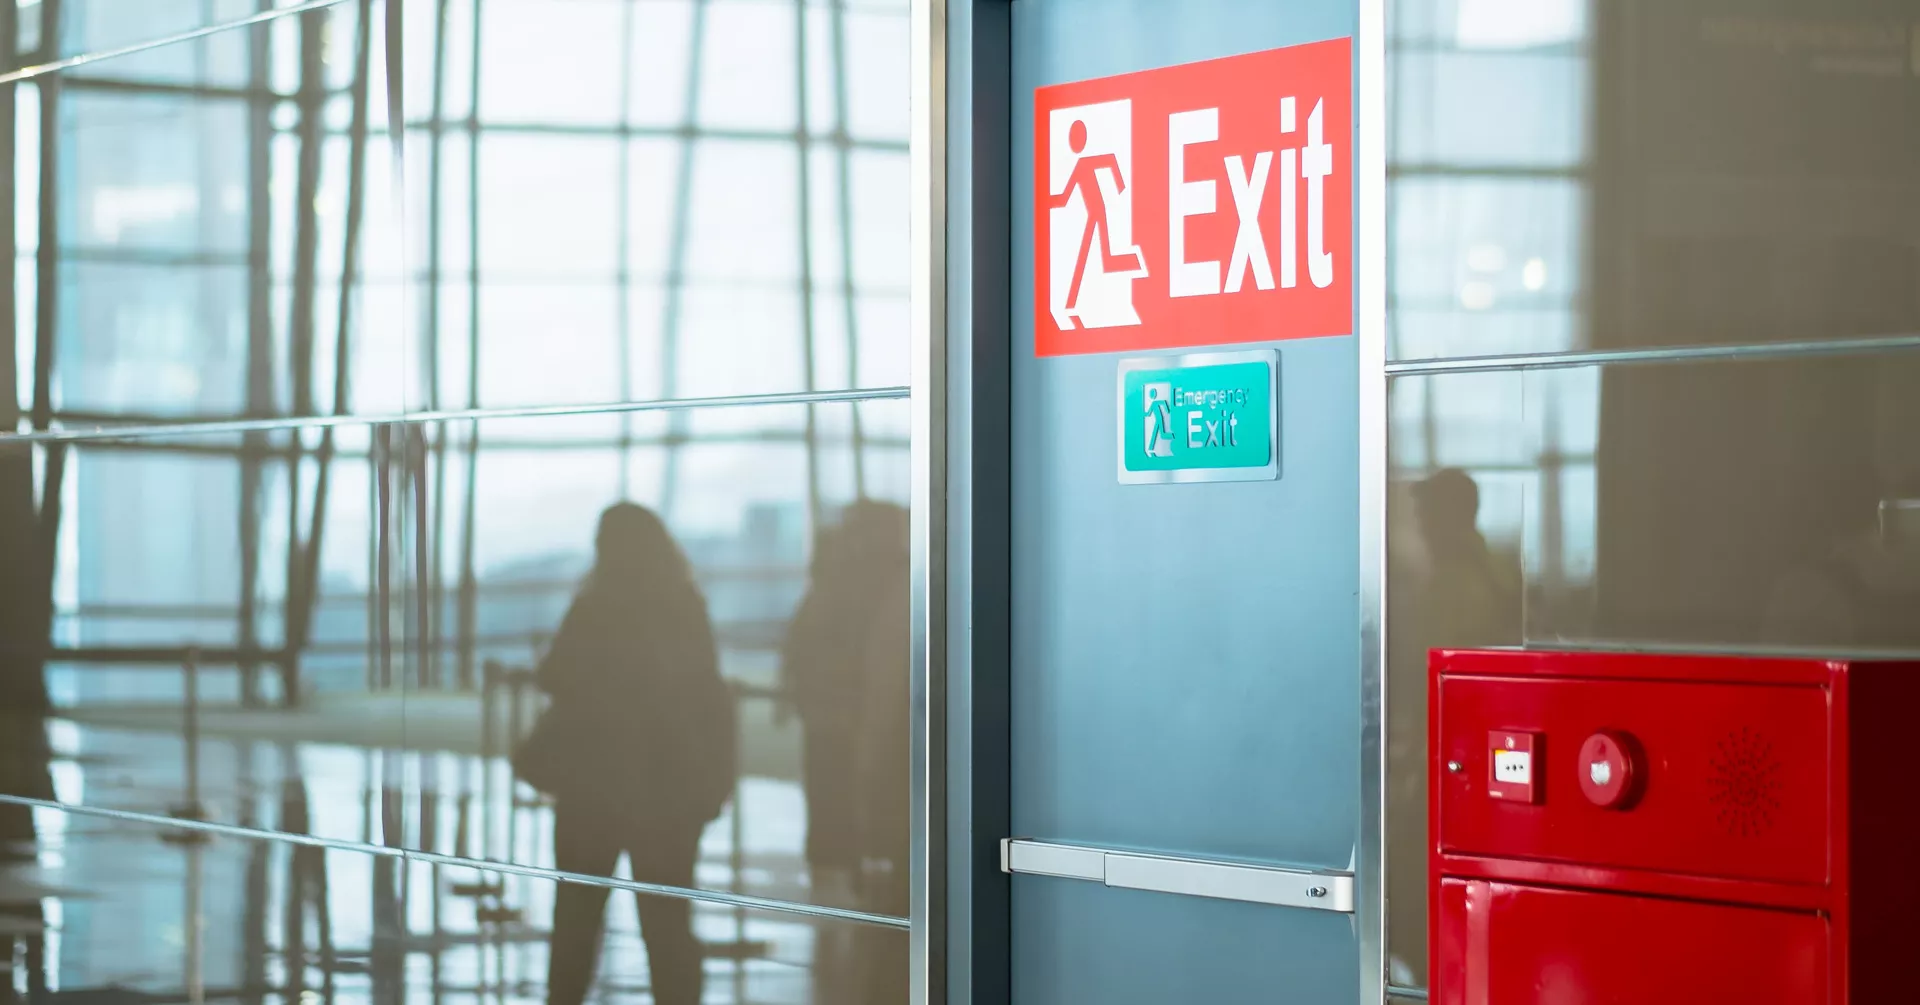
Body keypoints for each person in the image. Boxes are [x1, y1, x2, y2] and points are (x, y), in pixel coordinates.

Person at [522, 503, 736, 1005]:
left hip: (590, 792)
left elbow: (555, 675)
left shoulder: (594, 606)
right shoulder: (683, 605)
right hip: (667, 793)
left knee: (575, 922)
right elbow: (706, 695)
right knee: (668, 927)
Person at [1386, 468, 1521, 987]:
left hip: (1450, 757)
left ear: (1448, 517)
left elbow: (1432, 683)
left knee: (1418, 881)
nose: (1419, 527)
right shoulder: (1495, 571)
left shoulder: (1456, 584)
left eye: (1425, 516)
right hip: (1473, 758)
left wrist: (1408, 753)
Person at [780, 500, 909, 1004]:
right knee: (868, 823)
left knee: (855, 820)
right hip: (863, 724)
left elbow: (805, 638)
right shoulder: (891, 579)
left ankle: (870, 903)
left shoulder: (840, 579)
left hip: (845, 722)